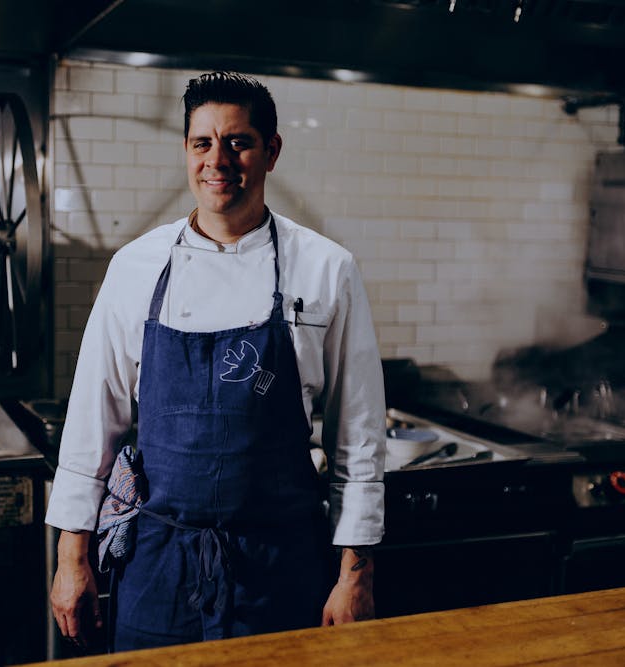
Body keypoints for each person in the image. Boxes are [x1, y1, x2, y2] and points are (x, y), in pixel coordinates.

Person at [46, 71, 386, 651]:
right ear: (186, 151)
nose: (218, 160)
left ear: (271, 151)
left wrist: (355, 573)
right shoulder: (136, 267)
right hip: (158, 565)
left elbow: (359, 436)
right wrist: (71, 555)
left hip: (280, 562)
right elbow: (91, 422)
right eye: (203, 143)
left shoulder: (327, 269)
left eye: (239, 142)